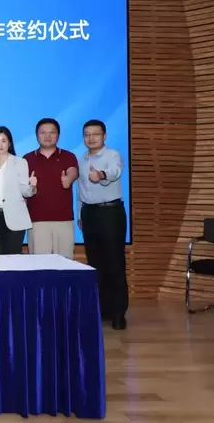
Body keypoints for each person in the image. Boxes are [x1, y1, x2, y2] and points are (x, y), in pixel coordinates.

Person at [78, 119, 128, 330]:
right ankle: (102, 309)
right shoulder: (81, 159)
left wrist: (101, 175)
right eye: (87, 134)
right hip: (89, 213)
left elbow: (115, 171)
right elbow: (81, 189)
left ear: (104, 136)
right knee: (95, 263)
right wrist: (80, 214)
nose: (91, 138)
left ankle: (118, 313)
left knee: (114, 262)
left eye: (95, 134)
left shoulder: (113, 155)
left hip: (110, 213)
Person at [24, 118, 79, 259]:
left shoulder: (68, 156)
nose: (47, 136)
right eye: (43, 132)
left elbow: (73, 171)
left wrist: (69, 179)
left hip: (64, 220)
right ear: (36, 135)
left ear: (58, 135)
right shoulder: (27, 159)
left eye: (52, 132)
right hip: (37, 221)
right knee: (39, 265)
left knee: (65, 264)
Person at [0, 126, 35, 254]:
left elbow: (26, 192)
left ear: (10, 143)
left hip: (15, 216)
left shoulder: (20, 162)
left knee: (13, 256)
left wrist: (32, 186)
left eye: (4, 141)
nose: (0, 145)